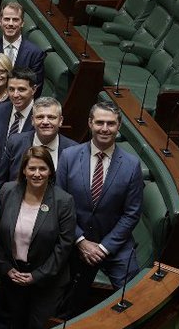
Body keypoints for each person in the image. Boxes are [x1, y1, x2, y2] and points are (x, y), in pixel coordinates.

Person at [56, 102, 143, 317]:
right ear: (90, 123)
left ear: (119, 126)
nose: (105, 128)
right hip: (74, 240)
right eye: (100, 122)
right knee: (62, 299)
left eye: (111, 123)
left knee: (134, 295)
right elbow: (59, 203)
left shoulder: (132, 165)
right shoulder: (69, 156)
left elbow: (132, 213)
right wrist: (81, 241)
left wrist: (104, 248)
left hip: (114, 243)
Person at [0, 147, 77, 329]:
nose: (37, 174)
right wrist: (5, 267)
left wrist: (36, 276)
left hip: (47, 280)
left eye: (42, 168)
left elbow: (64, 246)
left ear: (50, 171)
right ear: (24, 170)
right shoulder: (7, 191)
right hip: (14, 274)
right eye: (32, 168)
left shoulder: (63, 201)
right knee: (17, 327)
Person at [0, 96, 76, 186]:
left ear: (60, 121)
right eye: (40, 117)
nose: (45, 122)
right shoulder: (15, 142)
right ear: (32, 120)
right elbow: (1, 181)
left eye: (51, 117)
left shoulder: (72, 150)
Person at [0, 2, 47, 95]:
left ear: (22, 23)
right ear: (0, 22)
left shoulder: (35, 53)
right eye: (6, 19)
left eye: (15, 20)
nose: (10, 23)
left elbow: (35, 89)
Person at [0, 68, 37, 184]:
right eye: (11, 89)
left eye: (21, 89)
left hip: (25, 181)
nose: (15, 95)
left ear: (34, 89)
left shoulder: (40, 117)